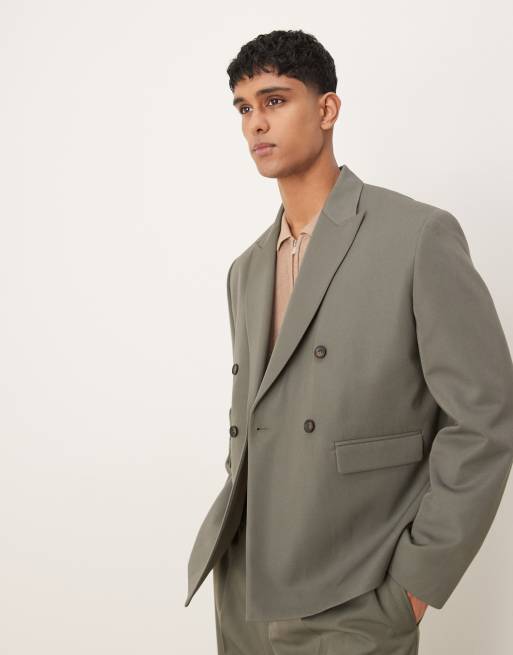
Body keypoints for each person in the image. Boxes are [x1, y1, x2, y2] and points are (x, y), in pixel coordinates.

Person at [185, 29, 513, 655]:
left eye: (275, 100)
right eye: (244, 108)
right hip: (244, 587)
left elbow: (485, 417)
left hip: (355, 590)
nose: (257, 124)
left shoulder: (416, 236)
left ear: (327, 109)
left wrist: (416, 583)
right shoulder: (246, 269)